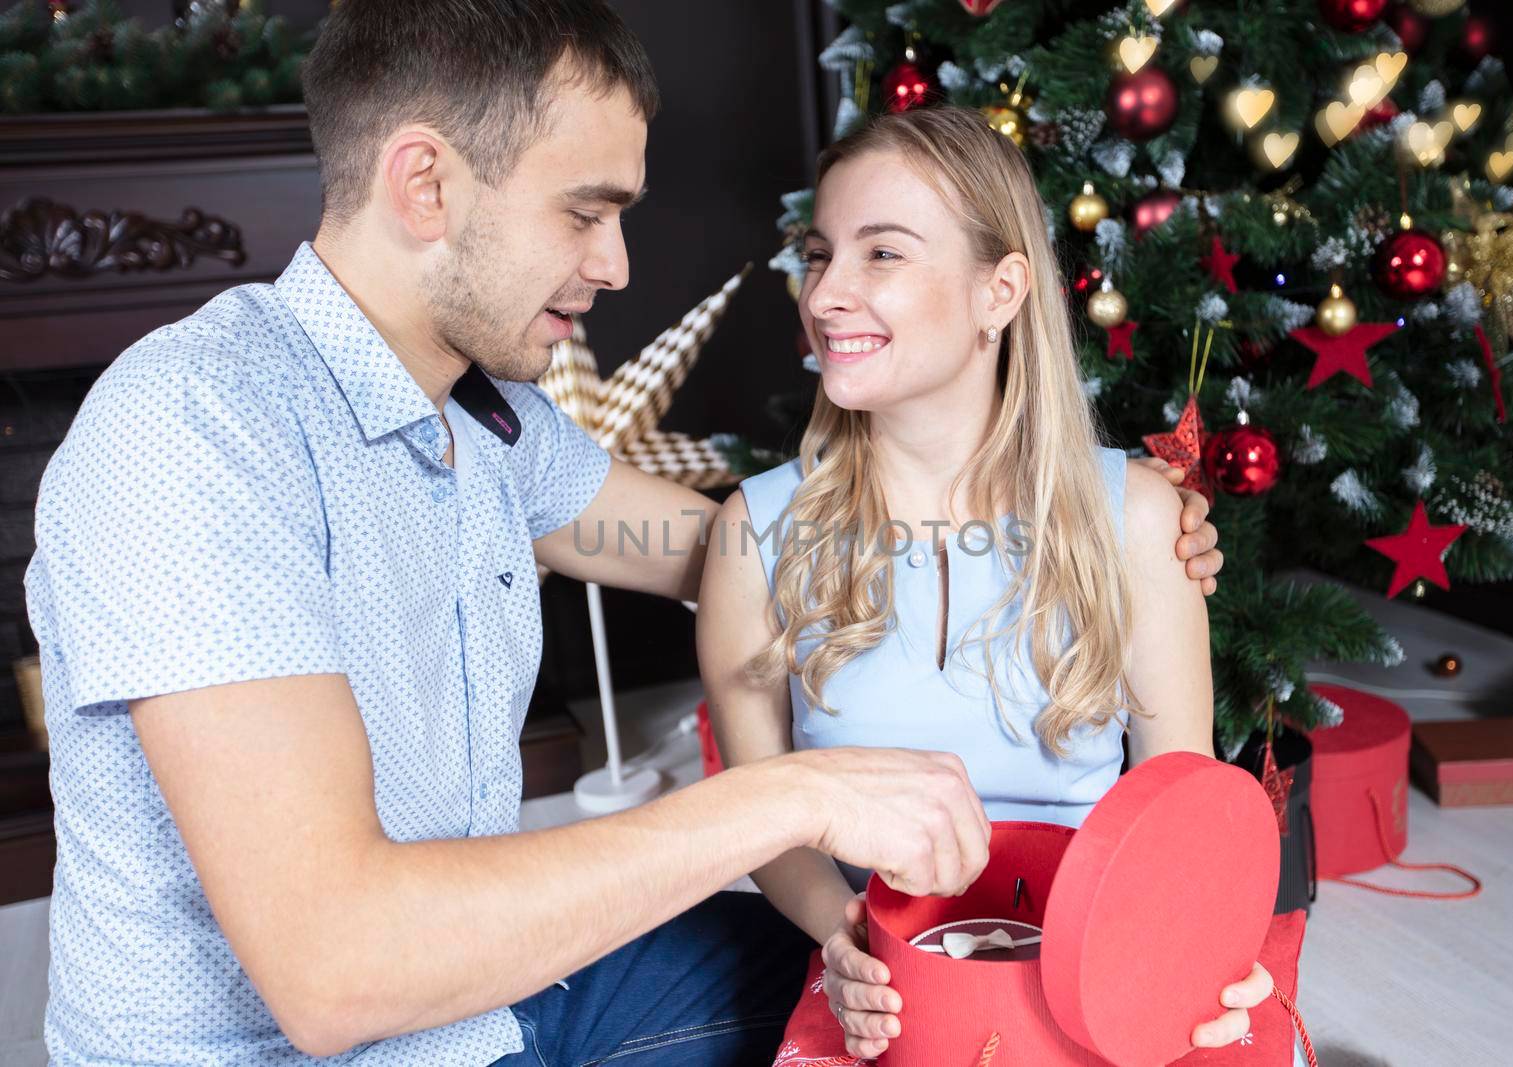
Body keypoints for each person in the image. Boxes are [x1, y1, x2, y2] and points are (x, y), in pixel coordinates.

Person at [23, 3, 1224, 1065]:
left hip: (486, 1008)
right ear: (426, 185)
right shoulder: (192, 433)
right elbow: (334, 972)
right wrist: (786, 794)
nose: (616, 264)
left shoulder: (485, 422)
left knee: (913, 991)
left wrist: (1096, 534)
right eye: (585, 211)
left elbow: (745, 549)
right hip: (328, 1040)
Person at [698, 106, 1272, 1064]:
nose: (827, 293)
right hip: (881, 979)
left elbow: (1184, 802)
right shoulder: (750, 534)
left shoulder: (1134, 515)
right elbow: (761, 816)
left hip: (1098, 960)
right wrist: (842, 931)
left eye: (882, 254)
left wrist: (1193, 955)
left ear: (999, 291)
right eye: (819, 252)